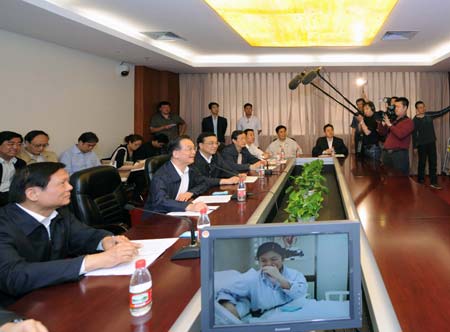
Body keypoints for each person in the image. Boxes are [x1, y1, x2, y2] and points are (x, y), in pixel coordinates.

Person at [0, 162, 141, 306]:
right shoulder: (4, 225)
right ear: (33, 194)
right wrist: (96, 260)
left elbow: (84, 235)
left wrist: (105, 240)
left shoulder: (59, 211)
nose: (70, 187)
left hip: (56, 293)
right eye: (62, 183)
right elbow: (14, 276)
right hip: (17, 310)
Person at [217, 242, 307, 320]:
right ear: (259, 261)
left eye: (274, 259)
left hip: (291, 313)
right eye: (263, 260)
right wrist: (227, 304)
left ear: (282, 259)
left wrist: (280, 278)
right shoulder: (252, 278)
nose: (268, 264)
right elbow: (225, 291)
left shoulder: (295, 274)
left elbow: (301, 293)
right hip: (265, 316)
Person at [144, 135, 209, 213]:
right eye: (189, 149)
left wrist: (191, 192)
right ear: (175, 154)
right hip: (158, 217)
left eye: (194, 148)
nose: (194, 152)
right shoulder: (161, 175)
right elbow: (160, 201)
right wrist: (189, 206)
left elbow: (203, 182)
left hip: (178, 213)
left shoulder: (191, 169)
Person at [413, 101, 450, 189]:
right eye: (420, 107)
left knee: (433, 162)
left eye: (424, 107)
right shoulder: (414, 120)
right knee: (422, 163)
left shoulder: (429, 115)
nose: (423, 109)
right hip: (421, 144)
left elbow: (440, 112)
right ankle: (420, 181)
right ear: (417, 109)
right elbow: (414, 134)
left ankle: (433, 182)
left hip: (431, 143)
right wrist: (415, 146)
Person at [377, 97, 414, 175]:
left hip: (398, 155)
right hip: (386, 154)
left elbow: (400, 134)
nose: (395, 109)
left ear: (405, 108)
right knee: (386, 178)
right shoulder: (394, 121)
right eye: (395, 106)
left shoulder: (409, 122)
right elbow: (382, 133)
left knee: (400, 180)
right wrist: (381, 122)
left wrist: (389, 124)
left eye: (398, 106)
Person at [110, 134, 146, 201]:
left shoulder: (135, 150)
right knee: (141, 177)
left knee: (143, 175)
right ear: (129, 142)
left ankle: (136, 196)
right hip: (119, 174)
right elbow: (118, 167)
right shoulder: (122, 150)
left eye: (139, 145)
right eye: (136, 144)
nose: (137, 147)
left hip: (128, 173)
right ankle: (135, 197)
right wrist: (135, 167)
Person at [0, 131, 26, 207]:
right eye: (10, 144)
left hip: (14, 197)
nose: (15, 147)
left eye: (19, 144)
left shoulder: (20, 163)